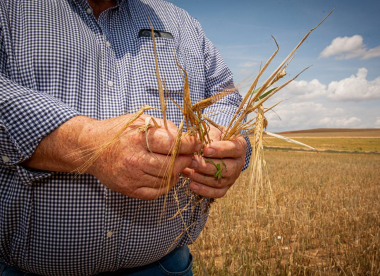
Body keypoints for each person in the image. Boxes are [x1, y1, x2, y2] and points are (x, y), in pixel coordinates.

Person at [0, 0, 250, 275]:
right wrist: (89, 143)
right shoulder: (10, 10)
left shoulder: (181, 23)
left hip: (165, 266)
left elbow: (227, 100)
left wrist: (228, 141)